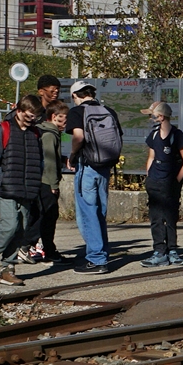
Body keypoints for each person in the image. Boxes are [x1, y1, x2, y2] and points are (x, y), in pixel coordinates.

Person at [65, 81, 121, 275]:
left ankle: (96, 259)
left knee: (87, 214)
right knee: (100, 214)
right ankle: (102, 253)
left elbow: (79, 137)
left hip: (87, 167)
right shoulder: (108, 111)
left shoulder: (77, 112)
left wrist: (72, 155)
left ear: (75, 96)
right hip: (105, 168)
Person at [0, 94, 45, 286]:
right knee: (9, 225)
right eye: (29, 116)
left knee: (21, 229)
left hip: (28, 188)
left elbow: (39, 160)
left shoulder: (35, 133)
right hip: (6, 187)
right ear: (19, 111)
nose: (33, 119)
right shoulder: (3, 130)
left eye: (35, 116)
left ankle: (8, 268)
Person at [142, 102, 183, 267]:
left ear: (161, 116)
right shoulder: (154, 135)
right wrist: (149, 176)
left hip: (170, 183)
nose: (151, 118)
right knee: (156, 218)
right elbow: (151, 156)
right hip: (154, 182)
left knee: (170, 218)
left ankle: (172, 250)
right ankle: (159, 252)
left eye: (153, 115)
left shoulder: (177, 136)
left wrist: (176, 179)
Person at [21, 102, 68, 265]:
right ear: (54, 117)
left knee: (44, 215)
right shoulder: (49, 134)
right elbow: (49, 162)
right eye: (63, 118)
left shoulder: (48, 131)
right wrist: (53, 185)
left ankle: (44, 248)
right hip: (46, 182)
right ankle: (28, 246)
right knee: (46, 216)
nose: (66, 122)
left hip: (41, 181)